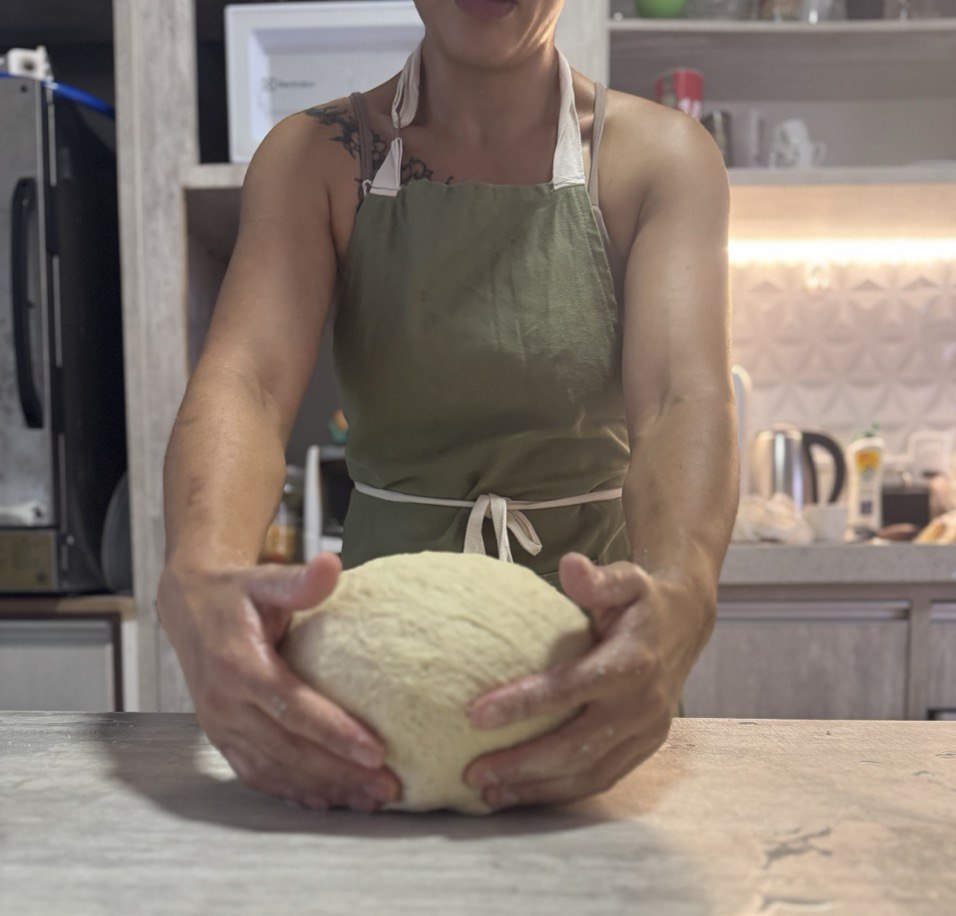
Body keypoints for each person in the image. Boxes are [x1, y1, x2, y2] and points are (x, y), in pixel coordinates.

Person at [157, 0, 739, 814]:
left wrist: (682, 592)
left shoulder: (660, 157)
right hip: (377, 665)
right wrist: (199, 576)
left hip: (596, 666)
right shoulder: (316, 157)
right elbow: (244, 384)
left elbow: (683, 398)